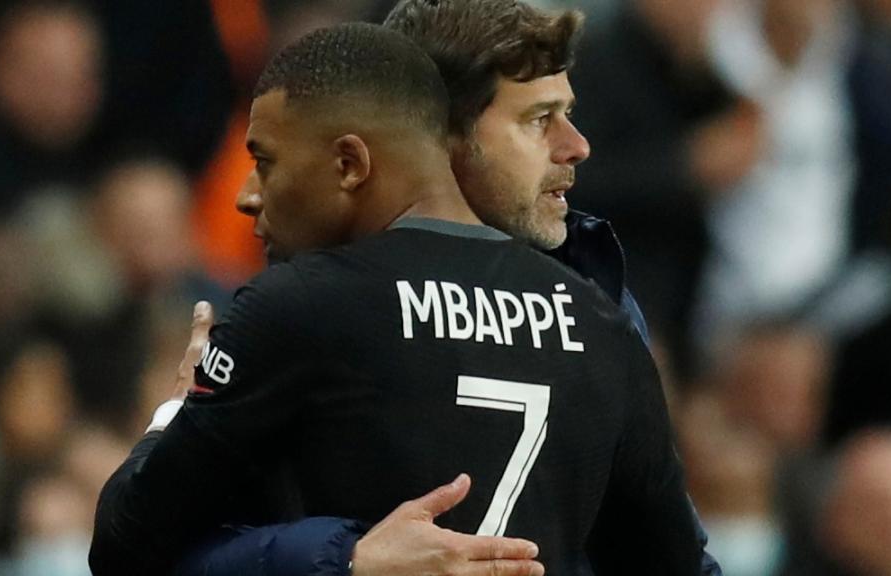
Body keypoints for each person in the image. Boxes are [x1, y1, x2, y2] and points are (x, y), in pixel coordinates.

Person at [100, 1, 723, 574]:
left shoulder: (300, 305)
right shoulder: (599, 320)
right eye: (539, 120)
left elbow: (132, 546)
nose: (577, 146)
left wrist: (342, 555)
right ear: (438, 133)